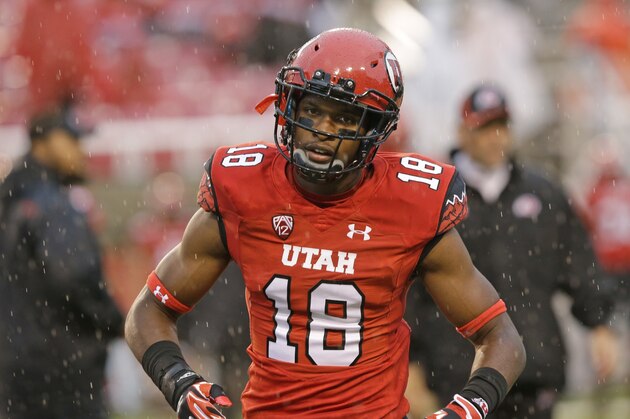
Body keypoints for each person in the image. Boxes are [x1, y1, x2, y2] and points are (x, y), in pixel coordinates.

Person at [125, 28, 526, 419]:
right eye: (313, 109)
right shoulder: (243, 189)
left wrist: (467, 408)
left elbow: (501, 337)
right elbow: (149, 311)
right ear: (289, 104)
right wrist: (179, 381)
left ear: (374, 129)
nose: (321, 131)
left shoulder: (411, 204)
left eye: (344, 119)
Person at [405, 84, 617, 419]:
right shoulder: (435, 197)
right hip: (458, 376)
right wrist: (411, 364)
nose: (495, 137)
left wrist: (599, 325)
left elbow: (577, 261)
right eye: (485, 127)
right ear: (462, 131)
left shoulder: (543, 193)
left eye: (501, 126)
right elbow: (410, 288)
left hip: (534, 368)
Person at [0, 107, 124, 418]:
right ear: (47, 142)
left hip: (14, 364)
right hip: (60, 366)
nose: (82, 153)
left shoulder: (11, 196)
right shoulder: (50, 202)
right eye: (74, 141)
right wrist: (114, 321)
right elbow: (72, 274)